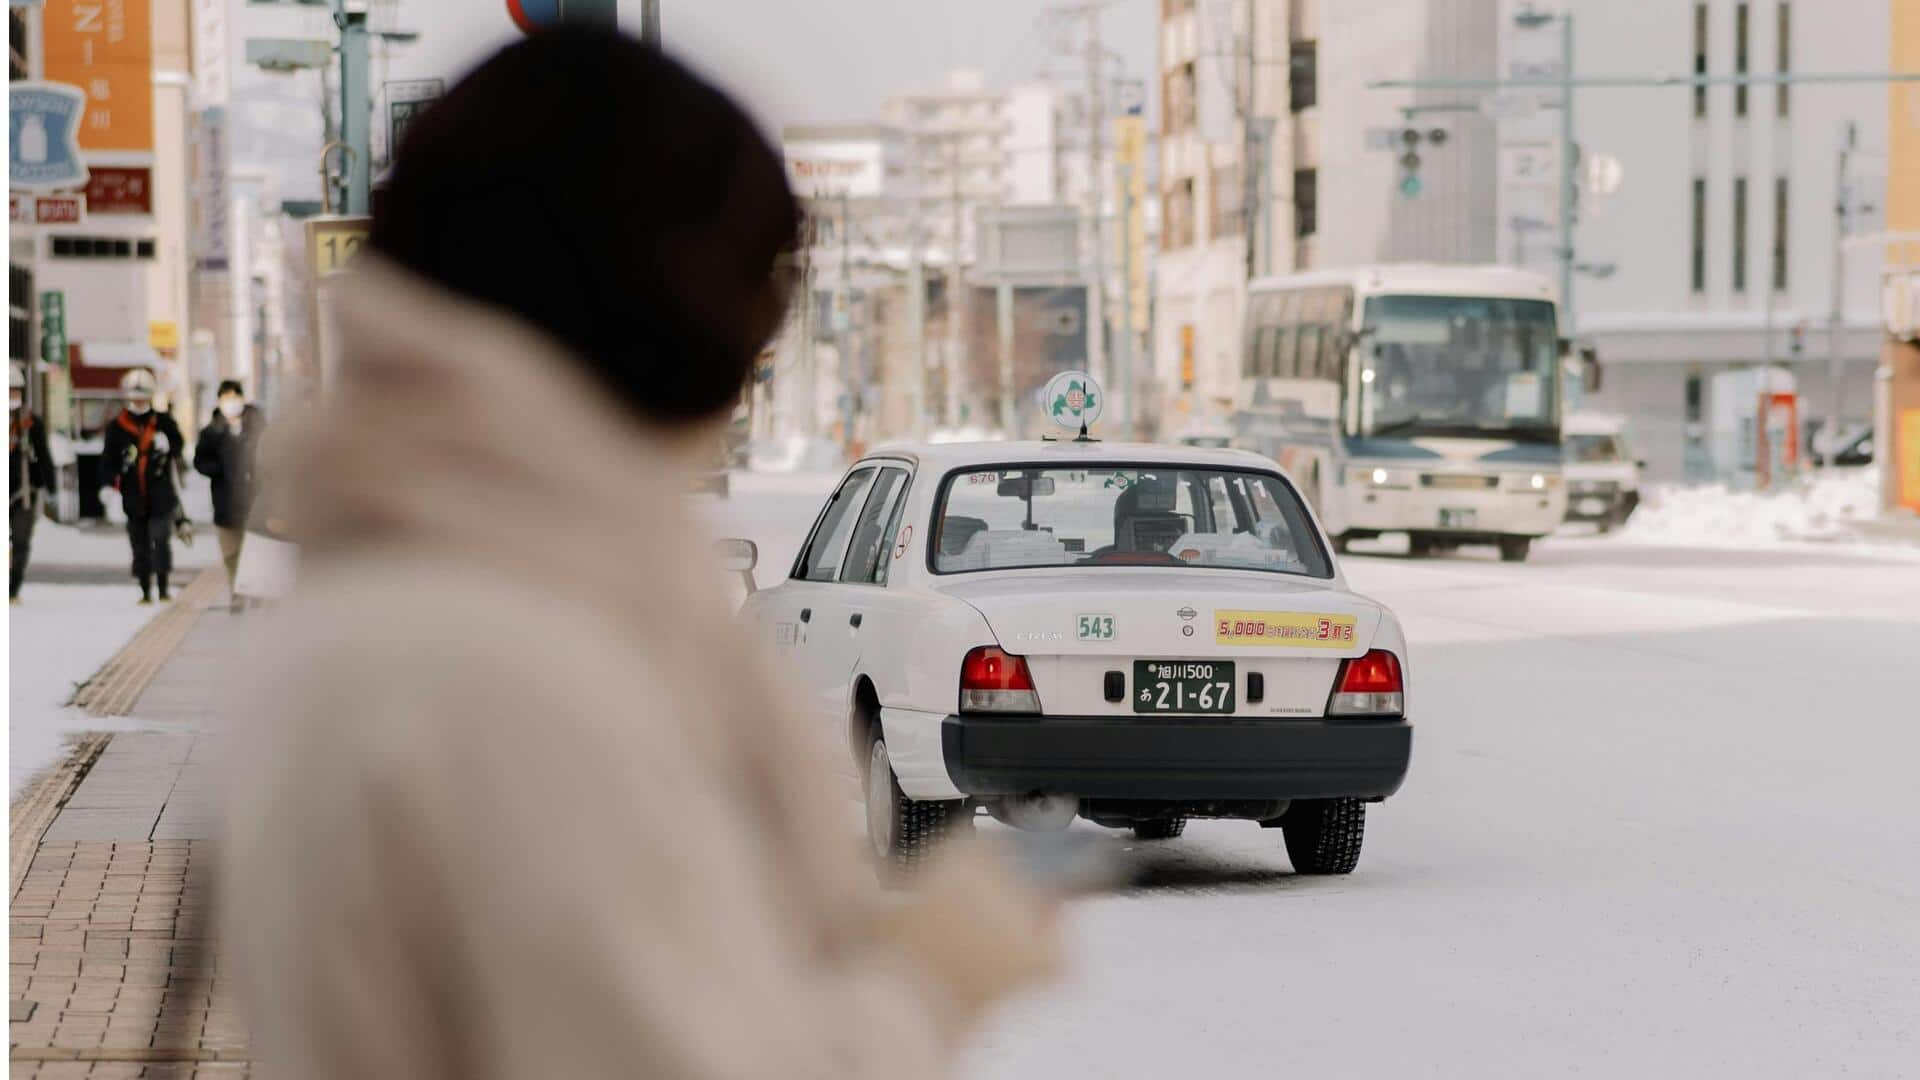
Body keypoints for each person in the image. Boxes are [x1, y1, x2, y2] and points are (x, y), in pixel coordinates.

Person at [221, 28, 1057, 1080]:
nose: (748, 378)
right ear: (674, 318)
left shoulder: (373, 599)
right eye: (757, 318)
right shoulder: (525, 673)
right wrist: (924, 989)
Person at [100, 368, 186, 604]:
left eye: (143, 395)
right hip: (133, 493)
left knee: (160, 538)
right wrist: (107, 484)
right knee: (139, 544)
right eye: (134, 396)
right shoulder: (118, 426)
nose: (138, 400)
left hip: (160, 492)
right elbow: (109, 459)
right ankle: (145, 588)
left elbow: (179, 447)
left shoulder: (163, 421)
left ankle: (163, 585)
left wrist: (169, 444)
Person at [195, 379, 266, 610]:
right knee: (231, 552)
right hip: (224, 501)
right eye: (226, 398)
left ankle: (254, 590)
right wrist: (220, 470)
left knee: (253, 550)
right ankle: (237, 592)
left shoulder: (258, 427)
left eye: (234, 397)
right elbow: (200, 461)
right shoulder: (212, 432)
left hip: (253, 500)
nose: (231, 403)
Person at [9, 364, 55, 604]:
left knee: (20, 541)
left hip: (24, 492)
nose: (10, 397)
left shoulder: (31, 423)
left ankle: (12, 588)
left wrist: (51, 487)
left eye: (15, 391)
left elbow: (44, 455)